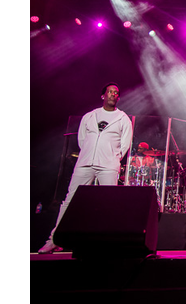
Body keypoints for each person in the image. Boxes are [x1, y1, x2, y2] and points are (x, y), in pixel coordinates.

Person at [38, 83, 134, 253]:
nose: (113, 94)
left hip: (108, 166)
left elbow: (125, 144)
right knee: (70, 201)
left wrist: (112, 158)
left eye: (116, 93)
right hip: (85, 163)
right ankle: (54, 240)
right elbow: (82, 141)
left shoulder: (123, 119)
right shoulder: (89, 116)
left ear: (118, 97)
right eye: (110, 92)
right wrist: (90, 155)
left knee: (108, 203)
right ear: (103, 95)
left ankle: (106, 242)